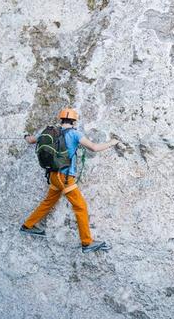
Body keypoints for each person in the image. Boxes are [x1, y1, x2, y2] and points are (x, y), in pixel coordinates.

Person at [20, 108, 119, 253]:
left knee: (48, 202)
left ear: (61, 119)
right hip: (65, 177)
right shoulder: (74, 133)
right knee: (80, 206)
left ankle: (27, 226)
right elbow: (94, 148)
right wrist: (112, 142)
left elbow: (31, 140)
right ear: (74, 121)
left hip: (53, 175)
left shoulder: (50, 131)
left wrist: (26, 136)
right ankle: (87, 242)